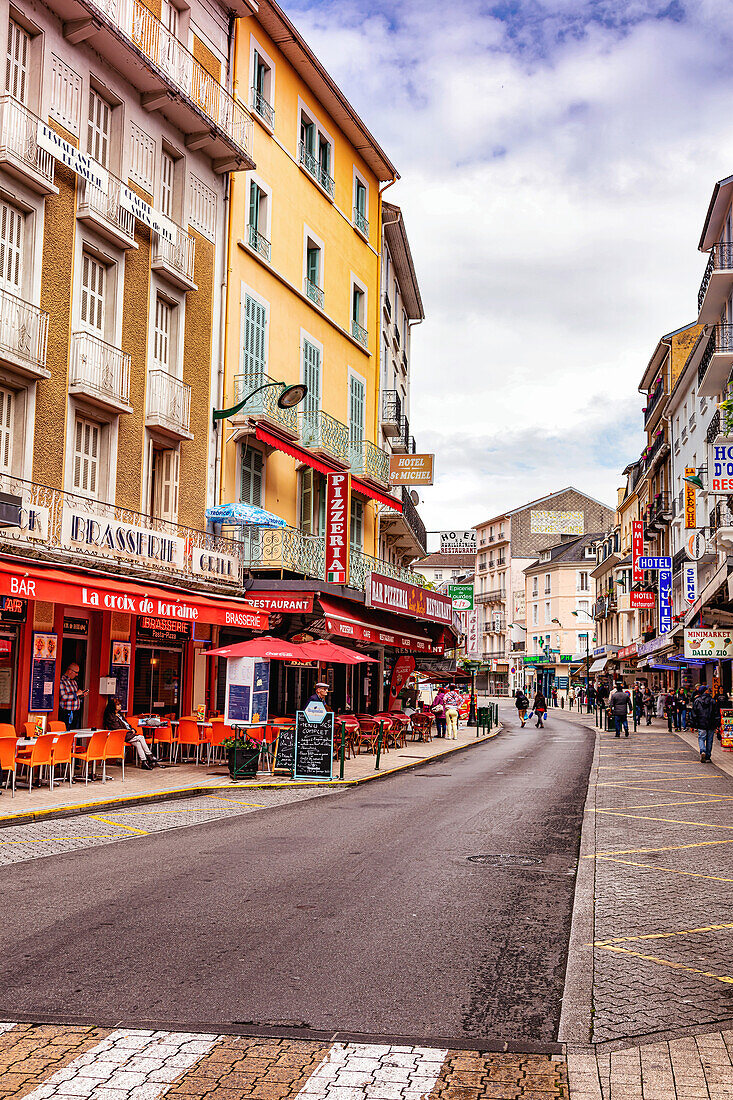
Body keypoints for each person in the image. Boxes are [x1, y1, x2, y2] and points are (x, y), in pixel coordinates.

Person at [102, 698, 159, 770]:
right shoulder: (110, 716)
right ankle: (149, 755)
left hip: (127, 734)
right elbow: (117, 729)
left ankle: (144, 761)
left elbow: (127, 725)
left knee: (138, 743)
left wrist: (133, 729)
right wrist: (130, 731)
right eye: (118, 705)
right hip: (120, 735)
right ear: (113, 706)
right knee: (141, 738)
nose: (120, 706)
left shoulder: (120, 715)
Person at [690, 684, 721, 762]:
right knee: (709, 740)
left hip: (701, 723)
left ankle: (703, 750)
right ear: (705, 691)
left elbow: (694, 714)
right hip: (711, 724)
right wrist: (718, 725)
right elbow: (716, 713)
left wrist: (692, 724)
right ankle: (707, 757)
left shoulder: (697, 701)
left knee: (701, 738)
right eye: (707, 690)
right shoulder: (712, 701)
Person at [59, 662, 88, 731]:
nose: (77, 675)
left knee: (74, 731)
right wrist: (76, 694)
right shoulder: (61, 681)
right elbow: (63, 697)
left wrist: (81, 695)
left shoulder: (74, 682)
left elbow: (74, 697)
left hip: (75, 711)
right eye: (76, 672)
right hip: (66, 712)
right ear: (70, 671)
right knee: (65, 731)